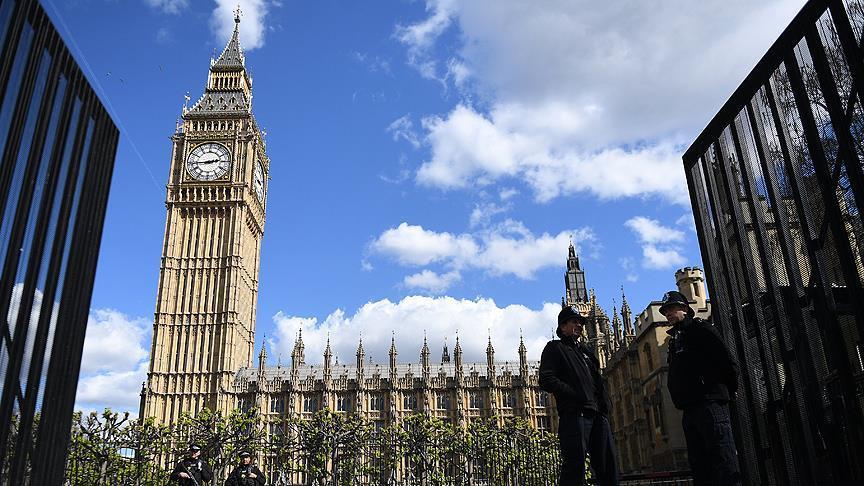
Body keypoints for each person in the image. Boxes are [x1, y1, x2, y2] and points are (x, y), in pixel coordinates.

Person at [661, 290, 741, 485]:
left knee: (723, 459)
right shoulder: (676, 339)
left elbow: (727, 361)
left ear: (685, 310)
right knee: (700, 465)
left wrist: (724, 392)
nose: (668, 314)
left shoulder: (701, 329)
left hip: (710, 403)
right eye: (665, 311)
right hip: (689, 408)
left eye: (672, 309)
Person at [540, 304, 619, 486]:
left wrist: (605, 407)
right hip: (575, 415)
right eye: (574, 321)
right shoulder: (555, 348)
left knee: (608, 467)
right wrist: (575, 395)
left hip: (598, 416)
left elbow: (597, 383)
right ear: (562, 326)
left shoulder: (586, 353)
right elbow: (546, 379)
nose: (579, 325)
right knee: (574, 468)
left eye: (581, 322)